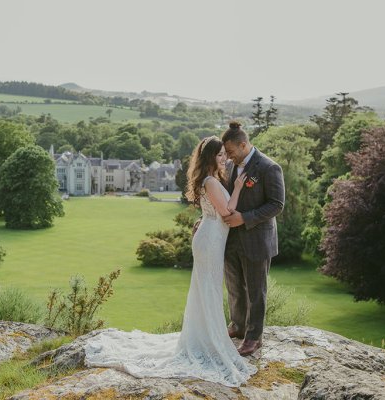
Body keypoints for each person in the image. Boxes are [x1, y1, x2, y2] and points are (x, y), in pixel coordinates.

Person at [84, 135, 256, 387]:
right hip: (210, 241)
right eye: (219, 155)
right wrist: (239, 188)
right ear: (210, 158)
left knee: (206, 288)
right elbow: (226, 212)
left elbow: (211, 211)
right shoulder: (210, 181)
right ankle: (208, 339)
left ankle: (208, 335)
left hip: (212, 238)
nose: (224, 159)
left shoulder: (210, 180)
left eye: (224, 154)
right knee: (207, 288)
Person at [221, 121, 285, 356]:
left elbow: (277, 205)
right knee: (234, 286)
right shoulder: (229, 166)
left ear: (244, 145)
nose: (227, 156)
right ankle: (237, 326)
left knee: (256, 291)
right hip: (230, 239)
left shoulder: (269, 167)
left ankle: (254, 337)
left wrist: (244, 218)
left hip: (257, 239)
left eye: (230, 151)